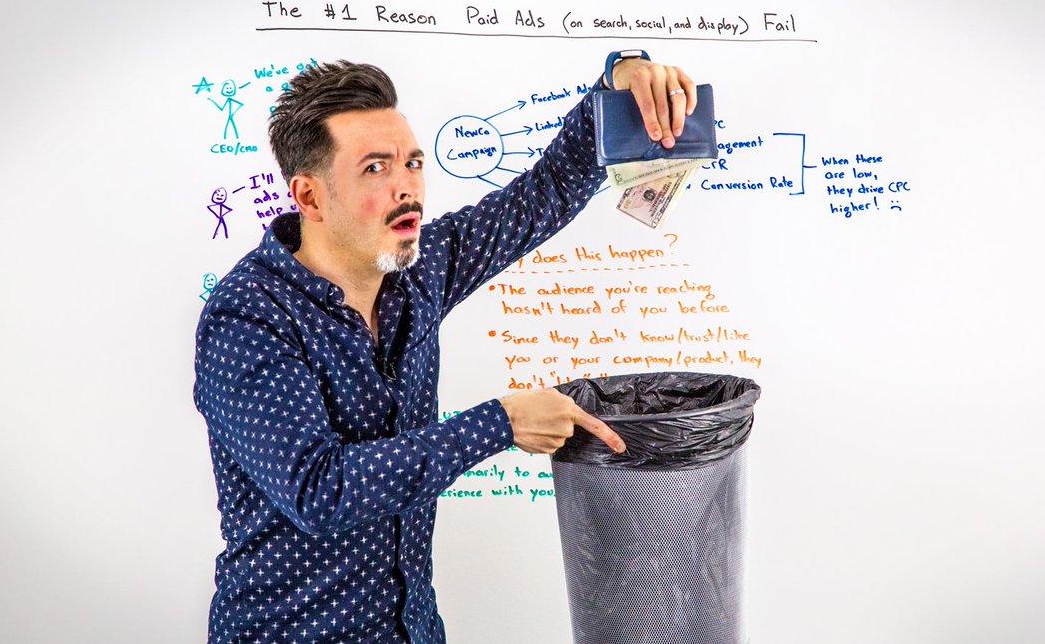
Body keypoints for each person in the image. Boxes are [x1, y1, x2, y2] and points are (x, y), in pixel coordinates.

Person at [193, 51, 697, 643]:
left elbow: (548, 191)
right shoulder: (248, 318)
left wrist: (617, 80)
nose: (406, 189)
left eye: (412, 163)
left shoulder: (418, 272)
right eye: (375, 169)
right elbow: (320, 491)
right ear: (310, 197)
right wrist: (500, 423)